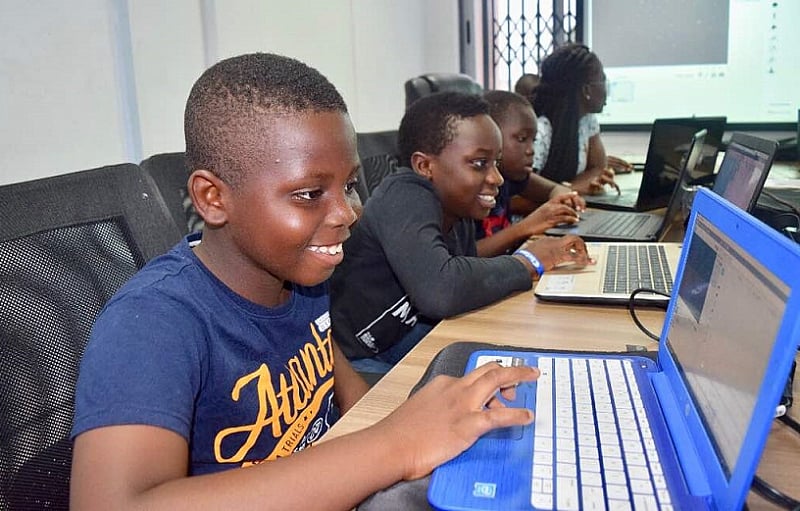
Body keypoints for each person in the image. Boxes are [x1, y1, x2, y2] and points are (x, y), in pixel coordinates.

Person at [69, 53, 542, 510]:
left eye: (349, 186)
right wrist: (395, 444)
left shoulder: (300, 277)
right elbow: (113, 503)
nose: (348, 212)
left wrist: (420, 426)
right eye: (310, 193)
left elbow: (339, 380)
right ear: (212, 198)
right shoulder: (151, 323)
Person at [330, 91, 594, 374]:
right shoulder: (404, 195)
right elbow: (441, 291)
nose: (497, 178)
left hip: (404, 334)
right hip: (356, 358)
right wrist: (529, 261)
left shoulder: (459, 206)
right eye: (479, 163)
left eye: (496, 162)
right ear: (424, 166)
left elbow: (465, 271)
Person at [476, 89, 586, 257]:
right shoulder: (471, 189)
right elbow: (466, 256)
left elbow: (554, 189)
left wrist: (562, 200)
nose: (531, 150)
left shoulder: (511, 176)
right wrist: (527, 226)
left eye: (533, 140)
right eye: (521, 139)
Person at [532, 43, 633, 196]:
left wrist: (571, 188)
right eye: (603, 81)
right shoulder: (541, 131)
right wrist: (571, 190)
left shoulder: (587, 120)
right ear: (587, 90)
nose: (607, 90)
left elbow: (598, 167)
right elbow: (519, 191)